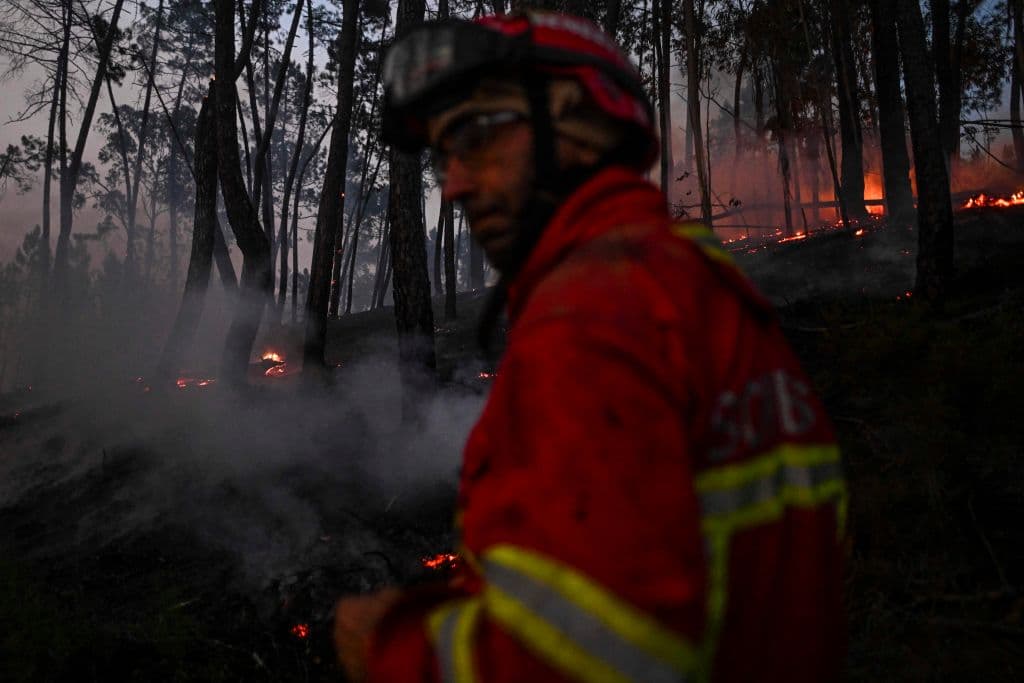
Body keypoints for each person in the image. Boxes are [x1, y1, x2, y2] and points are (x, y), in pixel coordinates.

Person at [335, 11, 847, 683]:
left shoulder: (594, 314)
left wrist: (396, 649)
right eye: (442, 158)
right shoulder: (696, 287)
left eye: (475, 136)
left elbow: (593, 657)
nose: (453, 184)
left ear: (576, 124)